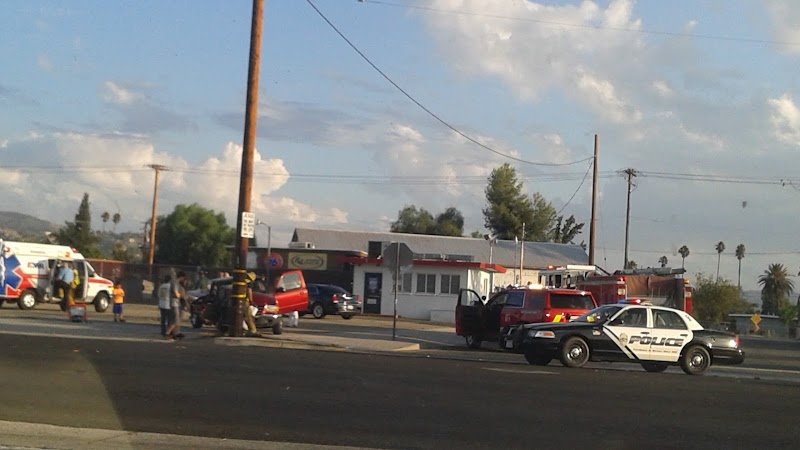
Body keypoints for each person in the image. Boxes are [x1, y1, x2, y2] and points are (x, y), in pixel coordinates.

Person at [165, 271, 187, 340]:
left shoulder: (176, 283)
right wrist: (182, 296)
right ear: (182, 277)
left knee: (174, 319)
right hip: (174, 303)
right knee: (175, 320)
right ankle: (168, 333)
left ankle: (175, 333)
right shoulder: (175, 283)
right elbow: (176, 293)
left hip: (175, 303)